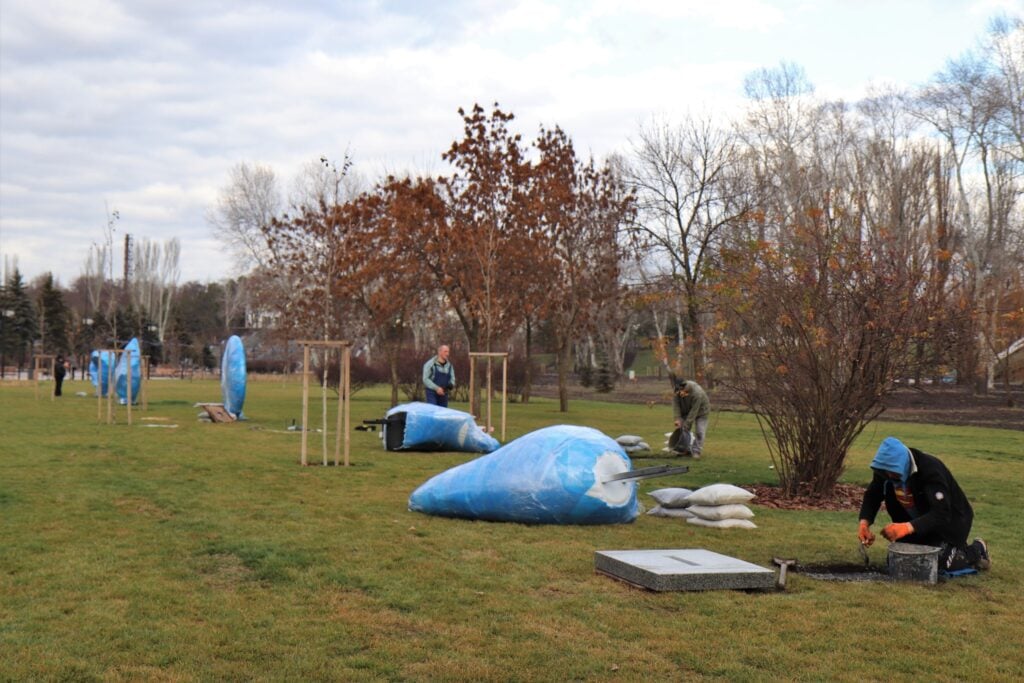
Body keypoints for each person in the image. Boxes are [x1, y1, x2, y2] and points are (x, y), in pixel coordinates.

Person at [858, 436, 990, 573]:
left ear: (904, 464)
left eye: (893, 471)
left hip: (949, 524)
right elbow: (873, 495)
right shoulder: (884, 471)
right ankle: (937, 545)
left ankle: (977, 550)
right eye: (886, 471)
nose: (889, 475)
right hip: (917, 526)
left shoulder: (931, 469)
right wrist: (864, 523)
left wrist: (906, 527)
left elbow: (942, 513)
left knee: (940, 563)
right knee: (897, 561)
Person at [671, 376, 710, 459]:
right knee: (682, 430)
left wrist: (687, 425)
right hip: (686, 411)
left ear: (684, 387)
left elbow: (694, 411)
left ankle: (696, 451)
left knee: (700, 432)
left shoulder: (696, 393)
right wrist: (678, 419)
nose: (679, 393)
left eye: (681, 391)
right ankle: (685, 450)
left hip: (701, 412)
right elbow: (676, 405)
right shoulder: (677, 391)